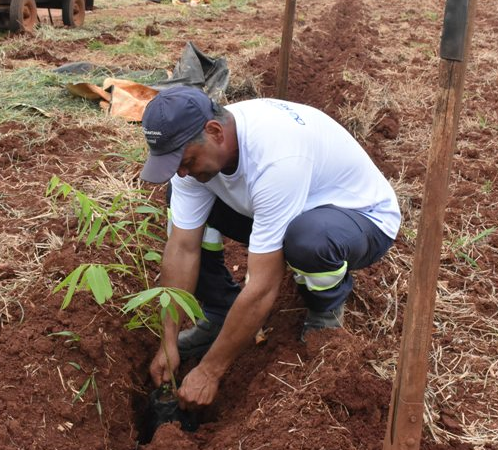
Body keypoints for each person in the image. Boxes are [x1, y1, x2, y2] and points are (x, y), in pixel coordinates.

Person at [139, 86, 400, 410]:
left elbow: (262, 287)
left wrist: (210, 370)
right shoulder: (196, 154)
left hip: (359, 218)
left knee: (307, 241)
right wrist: (167, 342)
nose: (181, 172)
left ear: (215, 132)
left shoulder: (276, 158)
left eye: (186, 161)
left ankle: (325, 310)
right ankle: (220, 313)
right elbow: (182, 248)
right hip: (290, 206)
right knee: (184, 212)